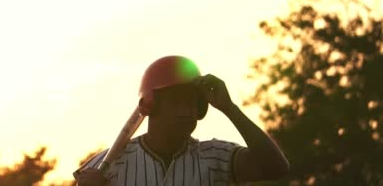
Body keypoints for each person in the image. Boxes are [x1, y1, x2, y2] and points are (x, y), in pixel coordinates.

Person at [74, 55, 289, 185]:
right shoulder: (107, 167)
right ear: (151, 103)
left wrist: (230, 109)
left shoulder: (215, 158)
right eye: (177, 100)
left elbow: (275, 168)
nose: (187, 110)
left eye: (193, 102)